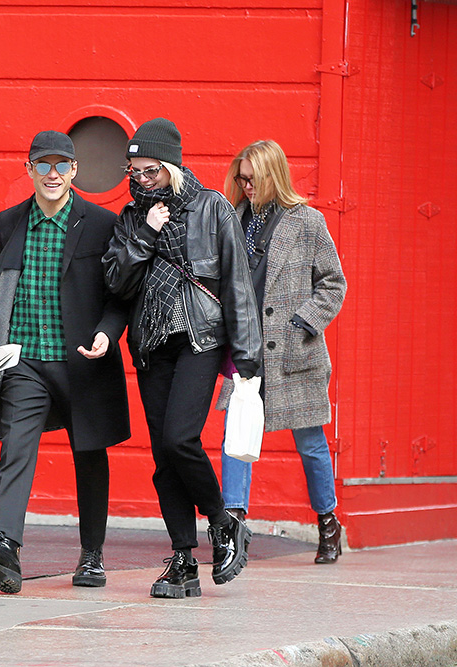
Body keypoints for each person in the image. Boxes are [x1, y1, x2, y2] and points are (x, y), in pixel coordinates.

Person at [0, 130, 130, 593]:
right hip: (24, 362)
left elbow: (120, 298)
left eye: (61, 166)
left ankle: (91, 556)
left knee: (89, 455)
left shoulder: (100, 222)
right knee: (15, 449)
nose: (52, 175)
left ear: (74, 171)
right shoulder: (9, 222)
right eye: (43, 165)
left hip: (81, 362)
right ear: (29, 169)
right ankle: (4, 552)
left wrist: (106, 335)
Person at [102, 118, 263, 599]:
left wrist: (248, 360)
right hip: (151, 345)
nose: (140, 180)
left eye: (149, 171)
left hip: (200, 339)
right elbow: (115, 283)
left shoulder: (212, 207)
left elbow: (237, 285)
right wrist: (143, 236)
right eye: (133, 172)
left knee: (179, 439)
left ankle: (222, 521)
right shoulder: (132, 217)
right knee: (162, 458)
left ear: (171, 166)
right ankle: (183, 560)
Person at [218, 139, 347, 564]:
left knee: (311, 442)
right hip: (246, 347)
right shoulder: (231, 220)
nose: (246, 186)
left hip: (295, 350)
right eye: (242, 178)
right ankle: (233, 526)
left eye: (253, 178)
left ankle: (328, 522)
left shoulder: (307, 222)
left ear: (274, 175)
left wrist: (304, 322)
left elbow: (333, 282)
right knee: (237, 437)